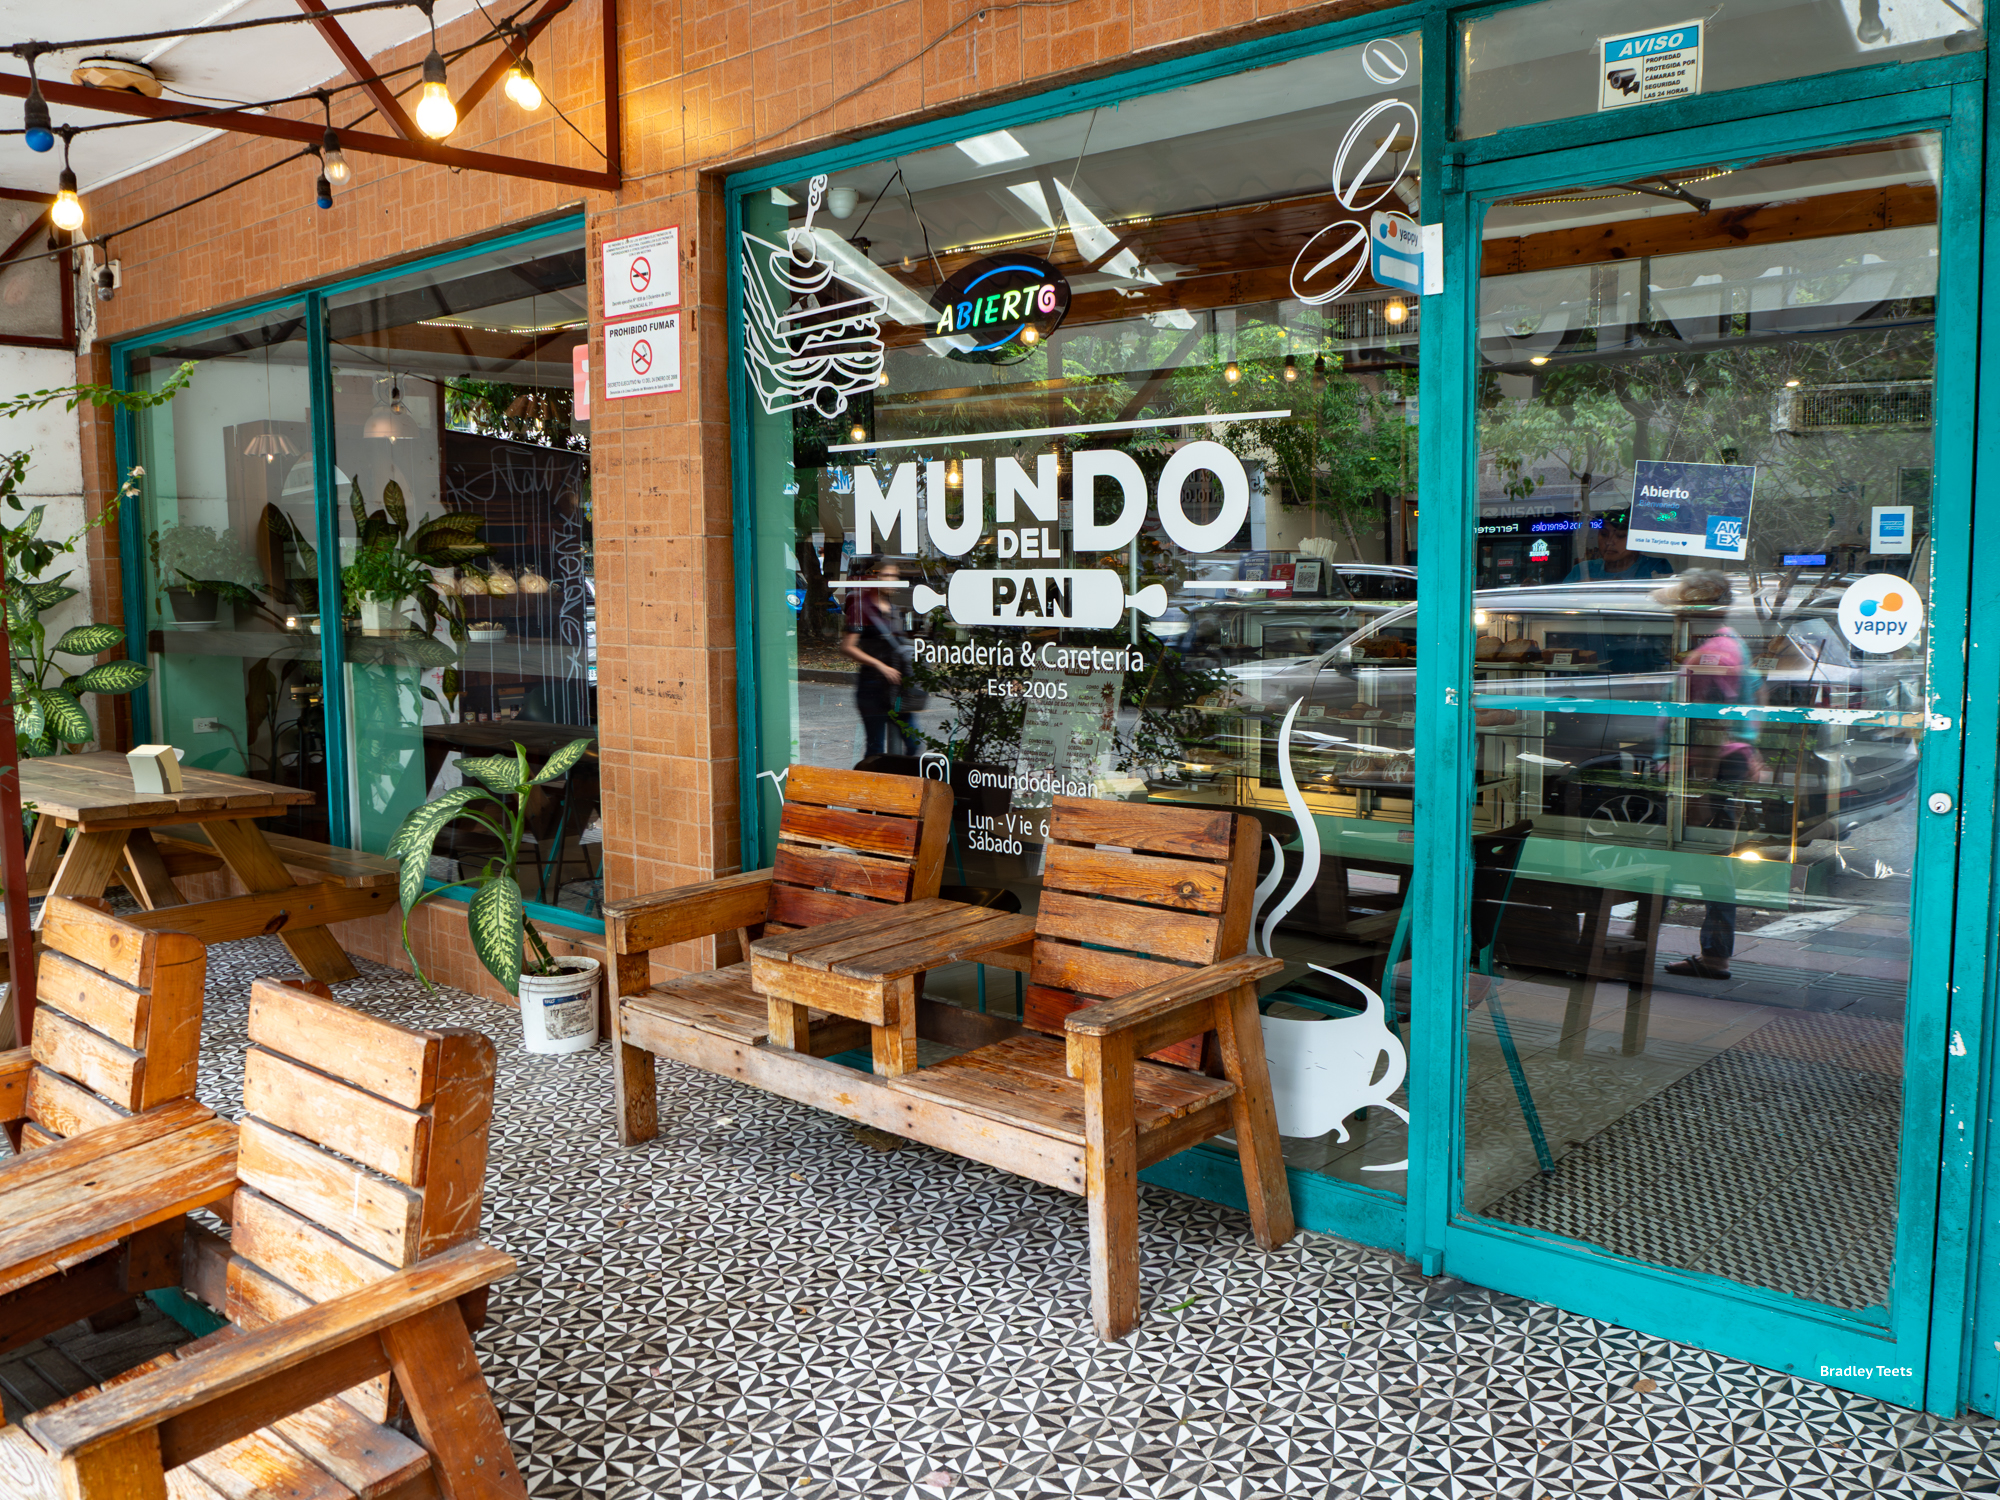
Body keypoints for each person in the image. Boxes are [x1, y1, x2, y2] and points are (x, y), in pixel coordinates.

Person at [1654, 570, 1766, 980]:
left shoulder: (1711, 656)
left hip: (1705, 769)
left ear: (1695, 608)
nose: (1675, 614)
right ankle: (1706, 951)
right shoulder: (1730, 642)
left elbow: (1707, 728)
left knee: (1691, 860)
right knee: (1697, 861)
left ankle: (1690, 950)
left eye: (1680, 606)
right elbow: (1756, 696)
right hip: (1724, 763)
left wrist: (1697, 790)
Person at [839, 555, 918, 757]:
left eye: (895, 576)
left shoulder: (894, 609)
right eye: (886, 575)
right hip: (872, 687)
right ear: (875, 577)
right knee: (875, 748)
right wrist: (880, 666)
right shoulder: (861, 607)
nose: (891, 580)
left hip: (896, 688)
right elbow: (848, 646)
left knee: (914, 743)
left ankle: (900, 777)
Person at [1562, 514, 1676, 583]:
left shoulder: (1656, 567)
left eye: (1620, 536)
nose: (1609, 542)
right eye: (1604, 534)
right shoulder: (1582, 570)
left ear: (1636, 539)